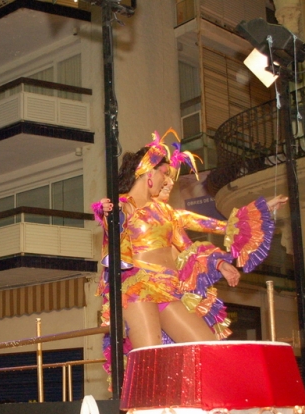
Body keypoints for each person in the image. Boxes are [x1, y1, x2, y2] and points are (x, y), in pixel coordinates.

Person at [96, 131, 286, 365]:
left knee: (208, 350)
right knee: (151, 359)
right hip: (137, 288)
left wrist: (222, 261)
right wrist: (106, 213)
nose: (167, 181)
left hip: (168, 287)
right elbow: (113, 223)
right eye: (164, 173)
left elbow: (205, 235)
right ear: (147, 171)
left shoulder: (168, 213)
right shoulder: (124, 205)